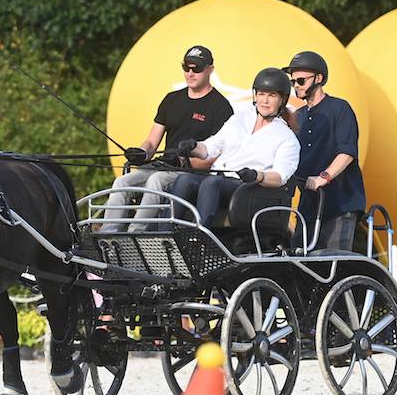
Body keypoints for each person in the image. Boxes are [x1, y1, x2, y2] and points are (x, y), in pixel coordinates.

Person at [102, 45, 234, 232]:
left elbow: (214, 159)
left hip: (191, 174)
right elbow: (151, 142)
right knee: (122, 182)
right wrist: (140, 153)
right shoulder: (171, 99)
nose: (190, 73)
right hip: (163, 165)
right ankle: (108, 236)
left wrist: (183, 161)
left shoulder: (221, 107)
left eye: (196, 68)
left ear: (210, 69)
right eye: (186, 67)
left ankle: (135, 234)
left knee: (156, 179)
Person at [169, 68, 300, 227]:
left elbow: (280, 176)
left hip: (248, 189)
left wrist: (257, 176)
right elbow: (209, 148)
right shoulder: (239, 119)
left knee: (212, 183)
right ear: (255, 95)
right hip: (219, 179)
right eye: (261, 94)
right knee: (185, 179)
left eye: (271, 95)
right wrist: (192, 147)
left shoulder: (287, 137)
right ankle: (164, 235)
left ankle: (200, 238)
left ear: (282, 100)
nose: (265, 100)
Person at [283, 51, 366, 250]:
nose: (296, 86)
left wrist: (324, 177)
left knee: (332, 261)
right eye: (293, 81)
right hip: (309, 204)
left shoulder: (339, 108)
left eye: (301, 80)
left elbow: (347, 153)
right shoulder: (298, 116)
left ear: (319, 78)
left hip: (339, 201)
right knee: (298, 259)